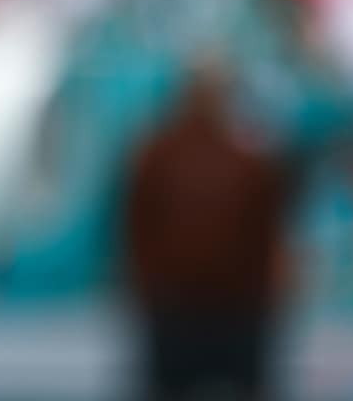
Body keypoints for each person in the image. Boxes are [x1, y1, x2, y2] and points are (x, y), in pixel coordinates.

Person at [124, 61, 293, 401]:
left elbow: (136, 230)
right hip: (215, 309)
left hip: (195, 308)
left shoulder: (156, 155)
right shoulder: (247, 159)